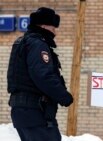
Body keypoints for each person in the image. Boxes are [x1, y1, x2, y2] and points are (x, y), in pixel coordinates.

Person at [7, 7, 73, 141]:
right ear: (44, 26)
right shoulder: (38, 44)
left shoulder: (23, 42)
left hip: (23, 110)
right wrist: (64, 96)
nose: (55, 32)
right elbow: (43, 75)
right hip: (35, 112)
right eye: (53, 28)